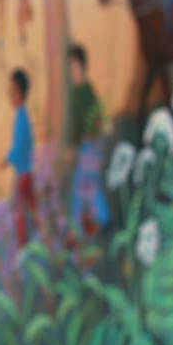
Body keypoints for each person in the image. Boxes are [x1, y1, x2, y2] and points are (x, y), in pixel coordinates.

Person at [65, 45, 109, 233]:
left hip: (91, 146)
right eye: (69, 68)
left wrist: (93, 134)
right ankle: (103, 217)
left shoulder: (86, 89)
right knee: (89, 185)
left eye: (75, 67)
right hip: (84, 146)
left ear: (82, 67)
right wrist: (71, 147)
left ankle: (78, 226)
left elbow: (97, 115)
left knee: (82, 185)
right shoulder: (74, 92)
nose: (72, 72)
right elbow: (74, 124)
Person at [0, 68, 40, 246]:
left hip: (23, 173)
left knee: (19, 209)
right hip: (27, 171)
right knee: (31, 207)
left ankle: (23, 243)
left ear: (20, 92)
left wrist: (6, 160)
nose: (10, 94)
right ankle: (38, 238)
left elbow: (19, 147)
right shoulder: (22, 116)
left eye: (13, 91)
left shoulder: (21, 118)